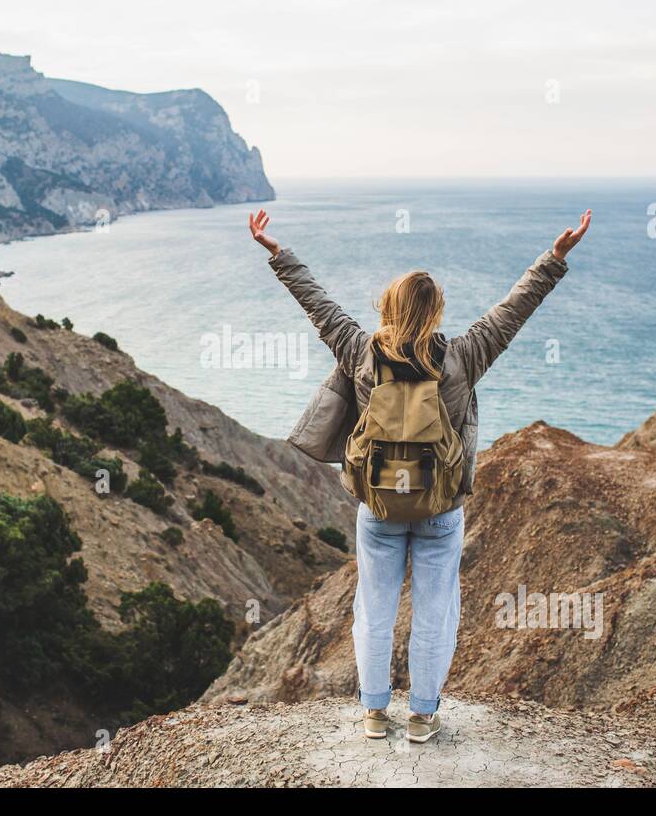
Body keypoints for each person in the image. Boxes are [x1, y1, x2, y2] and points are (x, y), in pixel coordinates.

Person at [249, 207, 591, 741]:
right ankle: (423, 715)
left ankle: (374, 712)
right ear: (436, 313)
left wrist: (279, 254)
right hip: (439, 510)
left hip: (380, 508)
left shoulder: (360, 351)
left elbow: (315, 304)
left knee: (374, 610)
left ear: (388, 307)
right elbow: (515, 309)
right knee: (435, 613)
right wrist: (554, 258)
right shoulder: (464, 356)